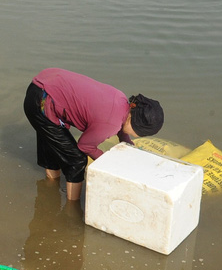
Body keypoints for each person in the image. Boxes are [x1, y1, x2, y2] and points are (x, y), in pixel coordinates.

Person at [23, 68, 163, 201]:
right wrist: (106, 162)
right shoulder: (110, 124)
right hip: (41, 102)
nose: (137, 137)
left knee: (53, 144)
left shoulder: (121, 100)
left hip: (44, 85)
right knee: (77, 160)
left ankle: (50, 186)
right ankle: (72, 207)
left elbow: (121, 126)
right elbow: (85, 145)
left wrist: (127, 145)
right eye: (138, 134)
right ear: (134, 123)